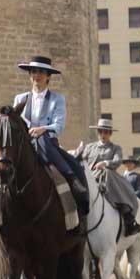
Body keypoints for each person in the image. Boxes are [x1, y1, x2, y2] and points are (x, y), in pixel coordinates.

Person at [13, 55, 89, 216]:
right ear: (30, 75)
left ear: (48, 76)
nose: (37, 75)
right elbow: (15, 123)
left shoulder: (57, 99)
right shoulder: (20, 99)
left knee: (42, 139)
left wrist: (43, 129)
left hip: (47, 143)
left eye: (41, 72)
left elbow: (59, 126)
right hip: (25, 143)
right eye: (34, 72)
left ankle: (72, 179)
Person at [73, 118, 140, 235]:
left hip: (107, 178)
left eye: (106, 132)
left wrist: (105, 163)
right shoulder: (89, 147)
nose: (103, 135)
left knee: (107, 172)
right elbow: (79, 159)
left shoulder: (115, 148)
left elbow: (117, 160)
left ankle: (127, 214)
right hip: (90, 177)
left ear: (110, 134)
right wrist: (77, 151)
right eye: (100, 132)